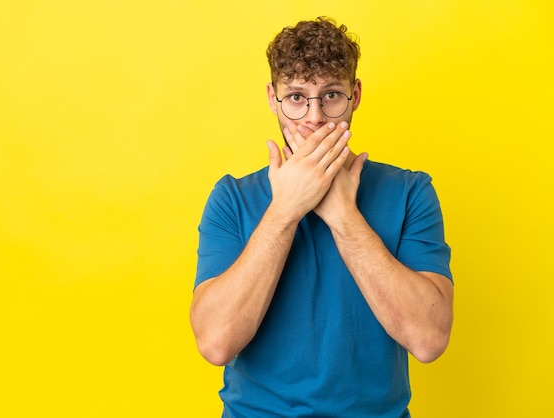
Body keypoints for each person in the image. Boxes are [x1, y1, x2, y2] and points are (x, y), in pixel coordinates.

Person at [190, 16, 453, 417]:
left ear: (356, 94)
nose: (314, 118)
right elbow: (215, 343)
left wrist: (344, 217)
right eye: (296, 97)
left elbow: (429, 340)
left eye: (331, 95)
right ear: (272, 98)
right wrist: (284, 212)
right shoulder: (232, 198)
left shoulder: (411, 192)